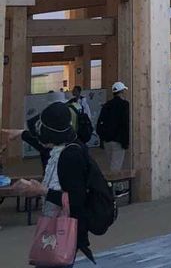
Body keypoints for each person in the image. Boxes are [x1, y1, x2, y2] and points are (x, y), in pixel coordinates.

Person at [33, 101, 95, 265]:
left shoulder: (70, 156)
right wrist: (20, 134)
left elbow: (75, 199)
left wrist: (42, 191)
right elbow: (42, 146)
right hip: (57, 227)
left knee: (55, 262)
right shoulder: (63, 147)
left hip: (65, 230)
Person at [96, 81, 130, 172]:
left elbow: (99, 122)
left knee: (111, 164)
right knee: (115, 169)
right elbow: (125, 123)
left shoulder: (106, 105)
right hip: (119, 140)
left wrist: (102, 137)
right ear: (121, 91)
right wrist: (126, 141)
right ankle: (112, 182)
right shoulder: (125, 105)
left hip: (107, 140)